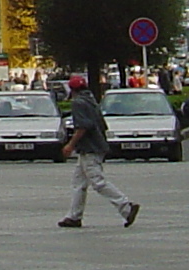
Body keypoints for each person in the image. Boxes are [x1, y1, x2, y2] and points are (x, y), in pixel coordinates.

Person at [57, 75, 139, 229]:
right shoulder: (91, 100)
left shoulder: (78, 103)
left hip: (89, 149)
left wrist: (70, 145)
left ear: (72, 89)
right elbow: (102, 125)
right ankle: (74, 216)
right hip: (95, 146)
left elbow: (83, 127)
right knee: (79, 182)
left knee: (97, 181)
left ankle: (126, 206)